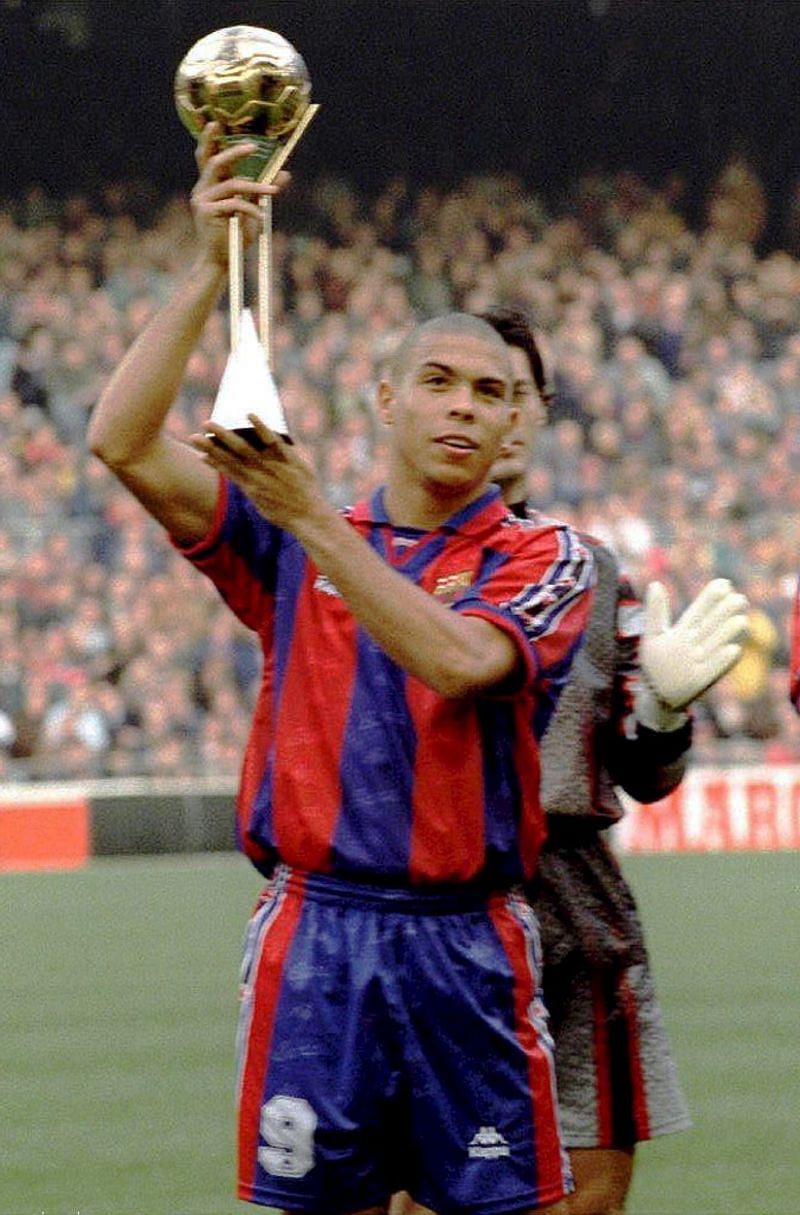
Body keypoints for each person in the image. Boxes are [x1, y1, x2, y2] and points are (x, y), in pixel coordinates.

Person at [88, 130, 596, 1215]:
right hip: (317, 932)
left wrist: (310, 516)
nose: (461, 405)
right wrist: (209, 272)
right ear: (384, 398)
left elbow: (460, 662)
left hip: (469, 942)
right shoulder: (288, 531)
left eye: (488, 392)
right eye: (437, 381)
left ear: (514, 423)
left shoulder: (539, 556)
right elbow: (124, 441)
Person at [391, 307, 748, 1215]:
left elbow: (647, 775)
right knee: (422, 1191)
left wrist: (663, 710)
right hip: (426, 907)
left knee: (588, 1195)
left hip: (574, 910)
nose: (482, 411)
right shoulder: (372, 561)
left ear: (535, 411)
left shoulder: (594, 573)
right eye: (455, 387)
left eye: (506, 390)